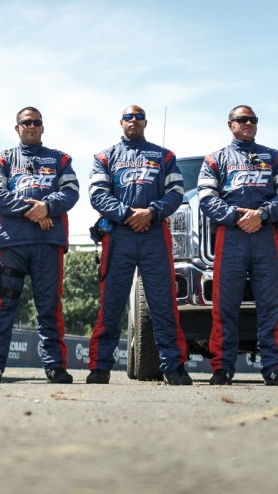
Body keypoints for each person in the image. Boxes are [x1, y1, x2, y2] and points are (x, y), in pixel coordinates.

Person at [87, 104, 191, 385]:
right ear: (120, 122)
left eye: (139, 117)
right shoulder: (104, 157)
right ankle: (99, 368)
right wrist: (128, 214)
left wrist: (152, 212)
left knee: (163, 305)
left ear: (146, 122)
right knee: (110, 306)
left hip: (154, 234)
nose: (134, 120)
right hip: (118, 235)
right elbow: (97, 194)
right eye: (129, 117)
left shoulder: (165, 156)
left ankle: (173, 367)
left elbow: (176, 193)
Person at [197, 105, 278, 386]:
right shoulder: (215, 159)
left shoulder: (275, 157)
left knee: (271, 305)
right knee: (225, 306)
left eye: (252, 119)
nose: (248, 123)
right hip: (230, 236)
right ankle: (222, 368)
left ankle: (274, 368)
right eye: (242, 119)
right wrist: (236, 217)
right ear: (230, 124)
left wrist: (262, 214)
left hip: (265, 235)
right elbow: (206, 198)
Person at [0, 107, 80, 384]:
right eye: (26, 122)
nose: (32, 126)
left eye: (36, 122)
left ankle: (55, 366)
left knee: (50, 307)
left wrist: (47, 206)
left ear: (43, 127)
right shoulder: (1, 159)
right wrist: (34, 211)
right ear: (17, 128)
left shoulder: (61, 159)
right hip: (11, 243)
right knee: (2, 305)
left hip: (48, 244)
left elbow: (72, 192)